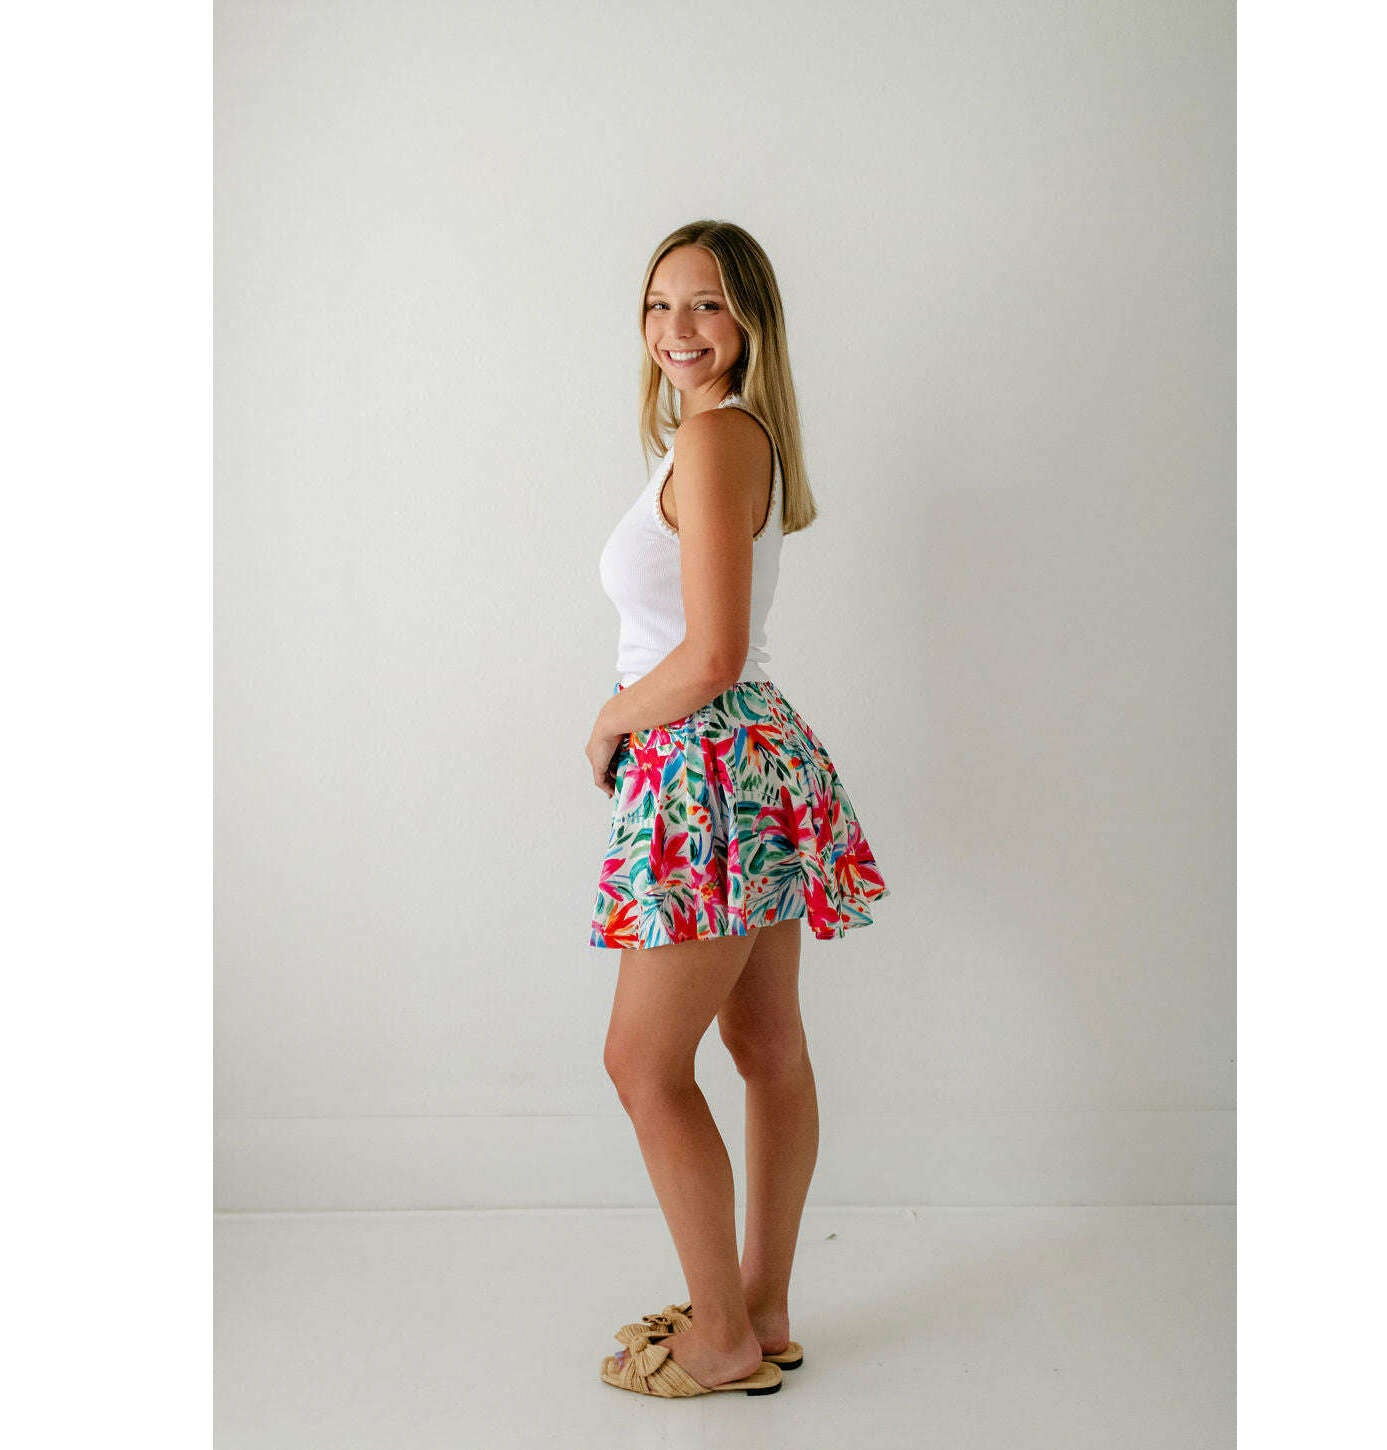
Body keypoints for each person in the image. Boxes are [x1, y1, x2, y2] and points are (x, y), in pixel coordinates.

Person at [587, 220, 890, 1399]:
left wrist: (611, 720)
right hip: (741, 761)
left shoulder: (717, 439)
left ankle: (720, 1334)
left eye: (707, 303)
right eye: (660, 304)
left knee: (641, 1061)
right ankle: (758, 1308)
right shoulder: (716, 438)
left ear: (751, 321)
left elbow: (709, 653)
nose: (678, 328)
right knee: (764, 1045)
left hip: (705, 766)